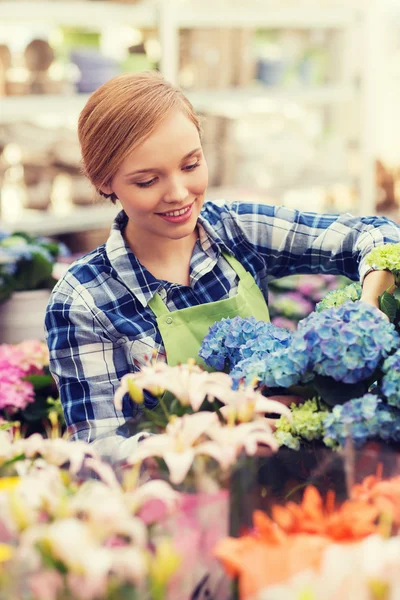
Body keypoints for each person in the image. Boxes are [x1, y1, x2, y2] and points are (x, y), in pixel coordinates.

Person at [45, 71, 400, 461]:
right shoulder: (84, 299)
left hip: (281, 475)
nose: (179, 193)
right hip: (185, 501)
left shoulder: (236, 230)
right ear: (105, 181)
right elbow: (99, 450)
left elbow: (378, 236)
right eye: (147, 181)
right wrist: (217, 435)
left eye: (191, 164)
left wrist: (369, 310)